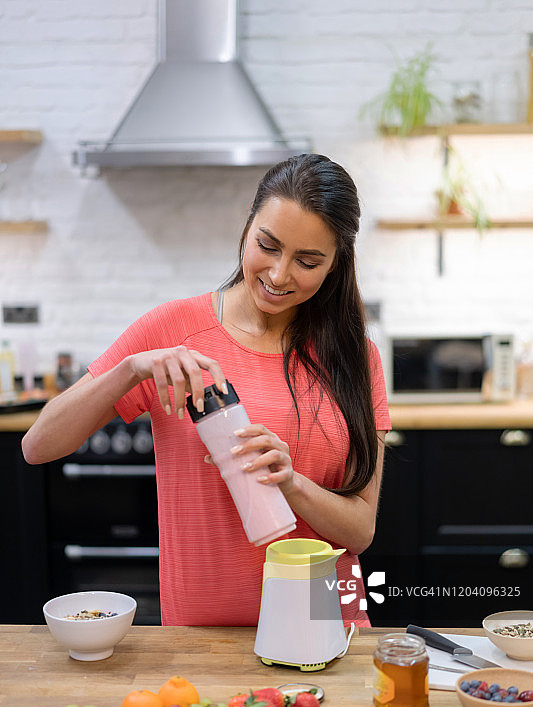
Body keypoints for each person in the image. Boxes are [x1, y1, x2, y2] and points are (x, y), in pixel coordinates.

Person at [22, 153, 390, 627]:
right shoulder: (171, 331)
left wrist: (291, 482)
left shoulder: (356, 358)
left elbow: (359, 532)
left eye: (308, 261)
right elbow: (37, 446)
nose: (279, 275)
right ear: (248, 226)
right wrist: (131, 370)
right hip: (201, 639)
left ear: (337, 263)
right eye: (268, 245)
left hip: (326, 632)